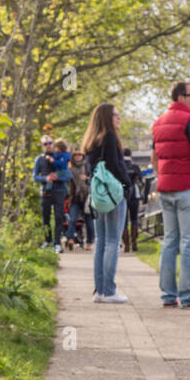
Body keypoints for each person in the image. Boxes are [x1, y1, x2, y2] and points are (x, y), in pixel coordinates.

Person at [151, 80, 190, 308]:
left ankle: (168, 295)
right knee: (189, 242)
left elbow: (154, 159)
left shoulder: (158, 123)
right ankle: (189, 296)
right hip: (188, 188)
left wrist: (163, 177)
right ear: (180, 97)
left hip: (166, 189)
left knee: (169, 242)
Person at [81, 103, 131, 302]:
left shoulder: (91, 141)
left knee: (101, 242)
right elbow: (114, 166)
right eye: (116, 114)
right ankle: (109, 291)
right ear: (106, 117)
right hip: (113, 194)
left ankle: (99, 291)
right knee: (112, 241)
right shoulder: (110, 137)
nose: (119, 117)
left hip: (98, 196)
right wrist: (127, 184)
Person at [33, 134, 63, 249]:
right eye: (46, 144)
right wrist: (45, 178)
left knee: (59, 217)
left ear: (53, 144)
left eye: (50, 143)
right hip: (45, 192)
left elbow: (67, 174)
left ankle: (57, 243)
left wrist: (57, 176)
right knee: (46, 217)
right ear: (42, 146)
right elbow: (35, 177)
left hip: (59, 191)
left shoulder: (60, 157)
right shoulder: (39, 159)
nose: (48, 145)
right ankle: (47, 241)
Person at [121, 147, 144, 253]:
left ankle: (126, 245)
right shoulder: (135, 166)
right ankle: (134, 241)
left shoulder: (120, 165)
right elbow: (141, 181)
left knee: (123, 221)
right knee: (134, 218)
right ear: (130, 155)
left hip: (122, 194)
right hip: (134, 193)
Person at [65, 149, 90, 250]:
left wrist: (87, 179)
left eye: (80, 155)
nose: (78, 156)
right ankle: (70, 239)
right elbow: (67, 183)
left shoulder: (87, 167)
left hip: (86, 197)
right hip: (75, 197)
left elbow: (93, 179)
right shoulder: (70, 169)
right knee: (72, 219)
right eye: (75, 155)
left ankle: (89, 242)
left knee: (89, 221)